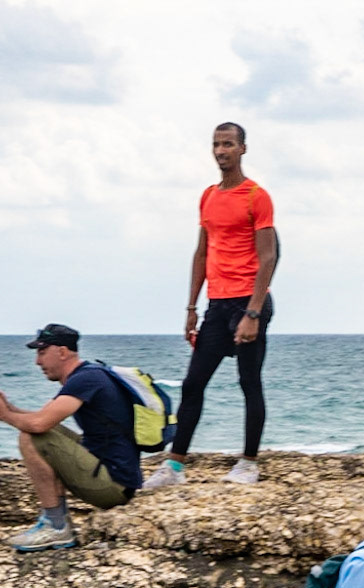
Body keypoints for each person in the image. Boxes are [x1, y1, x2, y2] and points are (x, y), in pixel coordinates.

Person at [145, 122, 278, 489]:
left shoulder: (256, 196)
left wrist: (253, 312)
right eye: (217, 144)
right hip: (216, 306)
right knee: (193, 384)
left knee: (249, 383)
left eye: (229, 144)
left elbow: (269, 257)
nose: (221, 151)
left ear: (242, 149)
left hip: (248, 303)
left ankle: (248, 463)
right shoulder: (207, 196)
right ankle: (174, 467)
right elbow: (202, 252)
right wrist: (191, 307)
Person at [0, 324, 141, 552]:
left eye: (42, 352)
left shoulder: (84, 380)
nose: (37, 361)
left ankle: (56, 527)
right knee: (42, 433)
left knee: (30, 436)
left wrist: (3, 414)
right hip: (118, 479)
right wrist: (9, 408)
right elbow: (44, 419)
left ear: (63, 352)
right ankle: (57, 523)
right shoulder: (89, 375)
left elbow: (38, 424)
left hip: (112, 486)